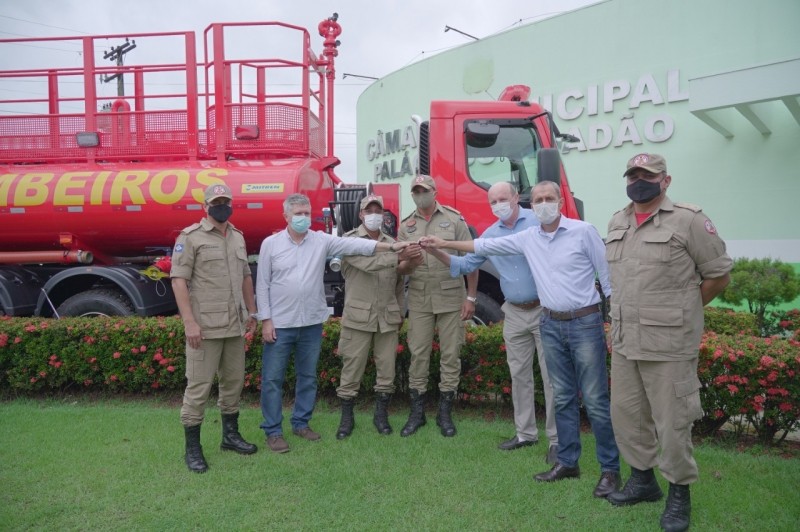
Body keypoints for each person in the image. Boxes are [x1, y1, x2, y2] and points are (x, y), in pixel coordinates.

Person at [419, 180, 621, 498]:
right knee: (565, 396)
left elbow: (607, 277)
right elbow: (479, 249)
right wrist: (440, 244)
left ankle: (610, 470)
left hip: (584, 323)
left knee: (595, 401)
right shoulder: (527, 237)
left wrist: (615, 319)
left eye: (548, 198)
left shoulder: (583, 231)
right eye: (539, 198)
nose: (543, 203)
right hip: (549, 322)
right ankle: (568, 462)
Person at [605, 154, 732, 532]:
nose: (639, 180)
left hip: (670, 344)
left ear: (666, 180)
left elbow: (718, 276)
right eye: (634, 175)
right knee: (627, 417)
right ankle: (643, 481)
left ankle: (679, 494)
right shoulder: (618, 220)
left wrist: (683, 311)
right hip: (626, 341)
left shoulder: (690, 220)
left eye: (649, 175)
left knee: (673, 424)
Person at [256, 193, 409, 453]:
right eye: (298, 214)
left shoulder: (321, 241)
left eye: (306, 213)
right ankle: (273, 431)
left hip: (312, 322)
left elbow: (359, 247)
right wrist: (266, 320)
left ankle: (301, 423)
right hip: (280, 323)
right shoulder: (270, 244)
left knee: (307, 377)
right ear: (286, 216)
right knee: (272, 379)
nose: (303, 218)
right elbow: (263, 284)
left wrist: (391, 247)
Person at [423, 182, 558, 461]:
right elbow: (463, 266)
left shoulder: (538, 221)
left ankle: (557, 441)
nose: (498, 204)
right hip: (515, 313)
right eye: (493, 201)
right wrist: (436, 249)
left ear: (515, 198)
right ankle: (525, 434)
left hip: (545, 310)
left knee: (552, 378)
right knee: (519, 376)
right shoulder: (491, 234)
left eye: (502, 198)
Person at [171, 183, 259, 473]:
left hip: (234, 326)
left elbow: (246, 275)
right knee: (198, 389)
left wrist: (252, 312)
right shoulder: (190, 237)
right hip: (205, 329)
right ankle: (192, 449)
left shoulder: (237, 237)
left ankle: (230, 437)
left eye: (226, 201)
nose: (222, 205)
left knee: (233, 384)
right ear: (205, 207)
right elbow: (179, 280)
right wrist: (189, 323)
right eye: (216, 202)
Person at [397, 174, 478, 438]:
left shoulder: (454, 219)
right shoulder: (406, 226)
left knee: (450, 354)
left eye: (424, 190)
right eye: (416, 191)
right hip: (420, 299)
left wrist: (471, 298)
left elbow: (471, 259)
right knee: (418, 354)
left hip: (452, 298)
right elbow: (401, 269)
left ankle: (445, 413)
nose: (420, 194)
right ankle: (417, 413)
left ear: (434, 191)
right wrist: (410, 261)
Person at [335, 195, 422, 439]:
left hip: (387, 317)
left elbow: (398, 282)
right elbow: (369, 264)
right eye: (368, 210)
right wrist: (401, 256)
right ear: (361, 214)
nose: (374, 214)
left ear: (384, 214)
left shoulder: (393, 242)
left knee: (387, 371)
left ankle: (380, 415)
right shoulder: (349, 241)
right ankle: (346, 418)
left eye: (378, 210)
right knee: (351, 369)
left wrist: (411, 263)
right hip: (358, 318)